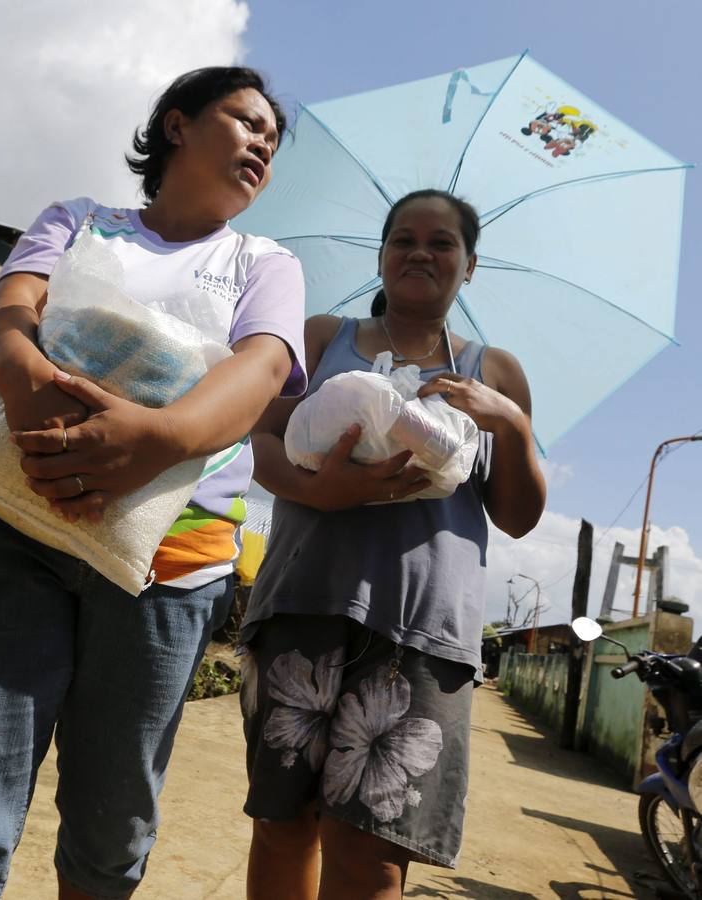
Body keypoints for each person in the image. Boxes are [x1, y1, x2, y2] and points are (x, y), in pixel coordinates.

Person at [0, 66, 306, 899]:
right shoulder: (77, 222)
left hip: (170, 564)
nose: (262, 142)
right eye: (244, 120)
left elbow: (261, 372)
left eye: (272, 140)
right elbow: (9, 321)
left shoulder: (265, 263)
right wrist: (42, 406)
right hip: (15, 529)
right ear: (177, 126)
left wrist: (160, 439)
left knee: (112, 827)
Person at [241, 188, 546, 900]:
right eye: (402, 239)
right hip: (303, 599)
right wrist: (317, 488)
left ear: (468, 266)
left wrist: (514, 428)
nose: (420, 252)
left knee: (375, 855)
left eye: (441, 243)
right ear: (380, 257)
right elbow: (257, 432)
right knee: (284, 823)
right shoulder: (321, 338)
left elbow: (517, 517)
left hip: (424, 629)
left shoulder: (493, 373)